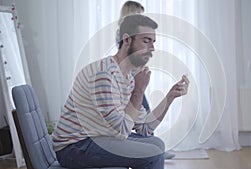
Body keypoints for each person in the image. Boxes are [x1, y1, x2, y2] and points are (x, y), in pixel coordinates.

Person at [52, 14, 189, 169]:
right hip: (74, 147)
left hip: (98, 138)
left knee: (157, 144)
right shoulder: (104, 75)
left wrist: (170, 97)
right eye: (146, 41)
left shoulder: (128, 77)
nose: (152, 48)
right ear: (127, 40)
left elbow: (144, 128)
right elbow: (122, 131)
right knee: (153, 154)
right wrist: (138, 91)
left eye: (153, 42)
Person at [116, 1, 176, 160]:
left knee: (144, 114)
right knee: (143, 114)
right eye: (139, 14)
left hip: (136, 77)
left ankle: (153, 147)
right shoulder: (124, 33)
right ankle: (152, 149)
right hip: (130, 80)